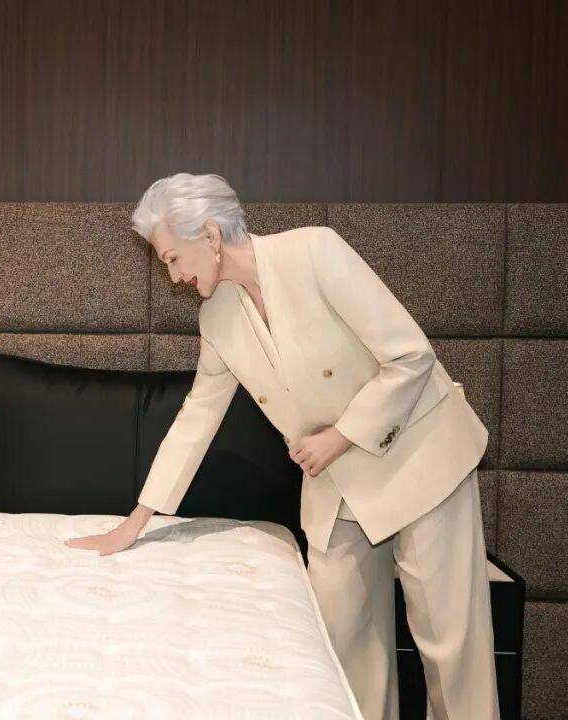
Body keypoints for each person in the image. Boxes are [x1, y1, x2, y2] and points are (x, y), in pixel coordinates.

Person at [65, 173, 500, 720]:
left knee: (451, 654)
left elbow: (410, 356)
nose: (173, 276)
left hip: (419, 456)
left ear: (210, 235)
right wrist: (137, 520)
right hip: (338, 487)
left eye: (173, 258)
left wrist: (340, 436)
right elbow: (197, 417)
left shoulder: (315, 251)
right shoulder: (217, 317)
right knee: (342, 656)